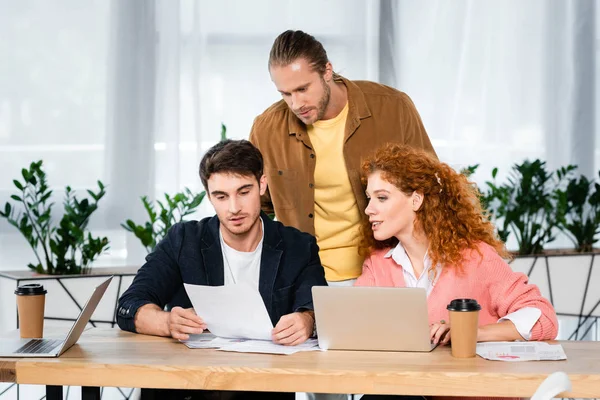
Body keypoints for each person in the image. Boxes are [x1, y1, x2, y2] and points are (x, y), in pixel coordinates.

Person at [117, 139, 327, 400]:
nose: (233, 208)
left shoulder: (298, 246)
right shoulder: (184, 240)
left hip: (260, 389)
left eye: (244, 191)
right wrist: (167, 322)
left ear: (262, 185)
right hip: (188, 388)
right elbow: (129, 306)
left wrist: (306, 320)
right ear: (209, 196)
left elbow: (316, 307)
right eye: (221, 196)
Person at [355, 143, 559, 400]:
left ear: (416, 200)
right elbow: (354, 329)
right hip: (410, 392)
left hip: (472, 394)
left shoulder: (476, 257)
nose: (369, 209)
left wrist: (473, 333)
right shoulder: (378, 265)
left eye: (381, 197)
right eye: (369, 198)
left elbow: (544, 319)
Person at [249, 30, 437, 289]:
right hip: (306, 281)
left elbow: (430, 188)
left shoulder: (393, 108)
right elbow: (256, 203)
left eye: (303, 89)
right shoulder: (266, 129)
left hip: (388, 274)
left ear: (327, 71)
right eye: (285, 94)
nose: (296, 104)